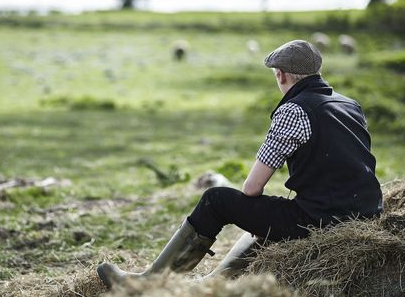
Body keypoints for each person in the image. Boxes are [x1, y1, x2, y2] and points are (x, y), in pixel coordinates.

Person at [97, 39, 383, 288]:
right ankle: (212, 283)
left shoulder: (293, 110)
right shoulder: (350, 104)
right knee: (265, 217)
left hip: (322, 219)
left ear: (281, 75)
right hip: (367, 214)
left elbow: (251, 188)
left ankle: (150, 283)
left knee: (217, 199)